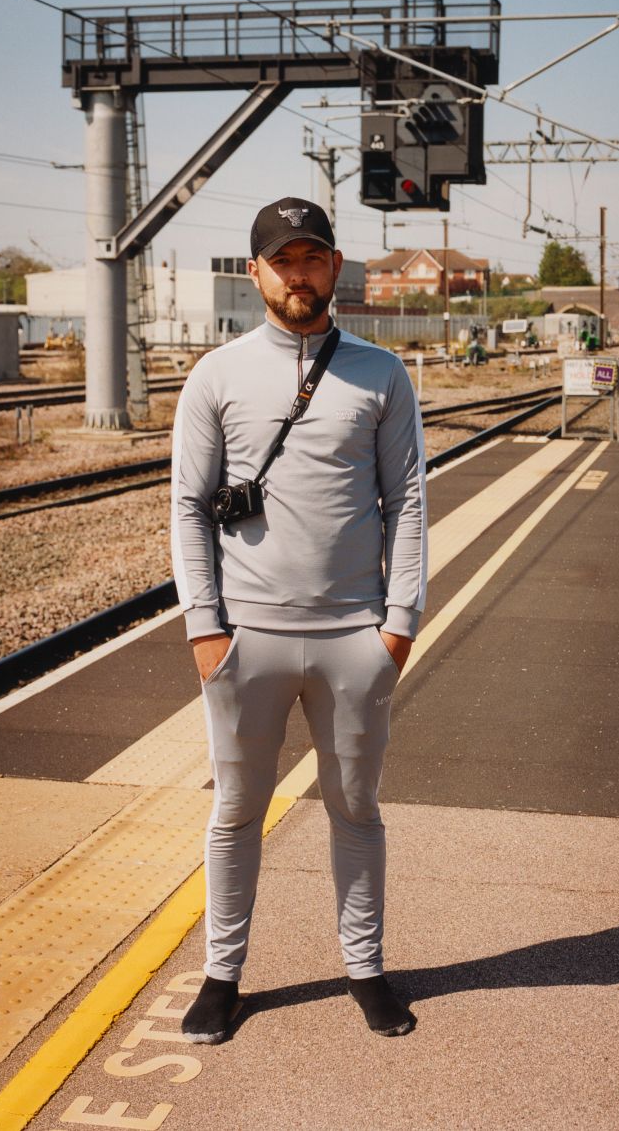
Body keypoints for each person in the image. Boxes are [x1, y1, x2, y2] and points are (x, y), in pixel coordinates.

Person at [171, 196, 426, 1043]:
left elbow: (410, 504)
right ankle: (221, 976)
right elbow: (186, 509)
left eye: (313, 257)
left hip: (356, 634)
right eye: (284, 261)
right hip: (247, 638)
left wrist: (399, 626)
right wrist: (206, 629)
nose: (300, 274)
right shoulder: (216, 376)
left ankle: (367, 969)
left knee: (356, 809)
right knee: (237, 811)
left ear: (336, 266)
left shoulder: (383, 375)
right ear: (256, 273)